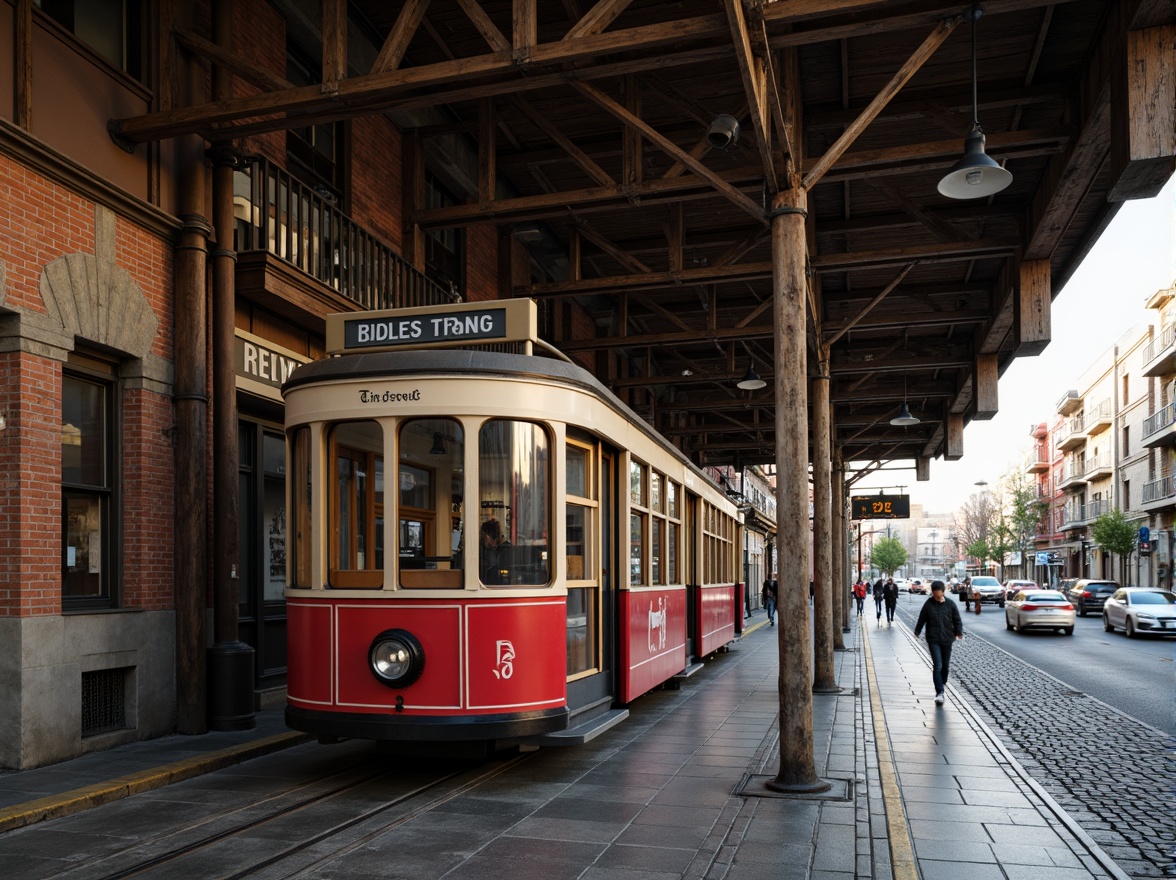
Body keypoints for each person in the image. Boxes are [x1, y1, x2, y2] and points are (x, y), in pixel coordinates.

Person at [913, 580, 964, 705]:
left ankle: (942, 682)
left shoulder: (951, 604)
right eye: (934, 593)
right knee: (938, 665)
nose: (936, 595)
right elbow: (922, 618)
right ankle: (939, 692)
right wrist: (917, 632)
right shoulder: (929, 604)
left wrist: (959, 632)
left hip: (947, 638)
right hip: (933, 639)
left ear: (943, 591)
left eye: (938, 593)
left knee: (945, 667)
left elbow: (957, 619)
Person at [480, 518, 511, 584]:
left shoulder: (487, 552)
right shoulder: (507, 548)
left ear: (487, 536)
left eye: (483, 535)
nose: (481, 538)